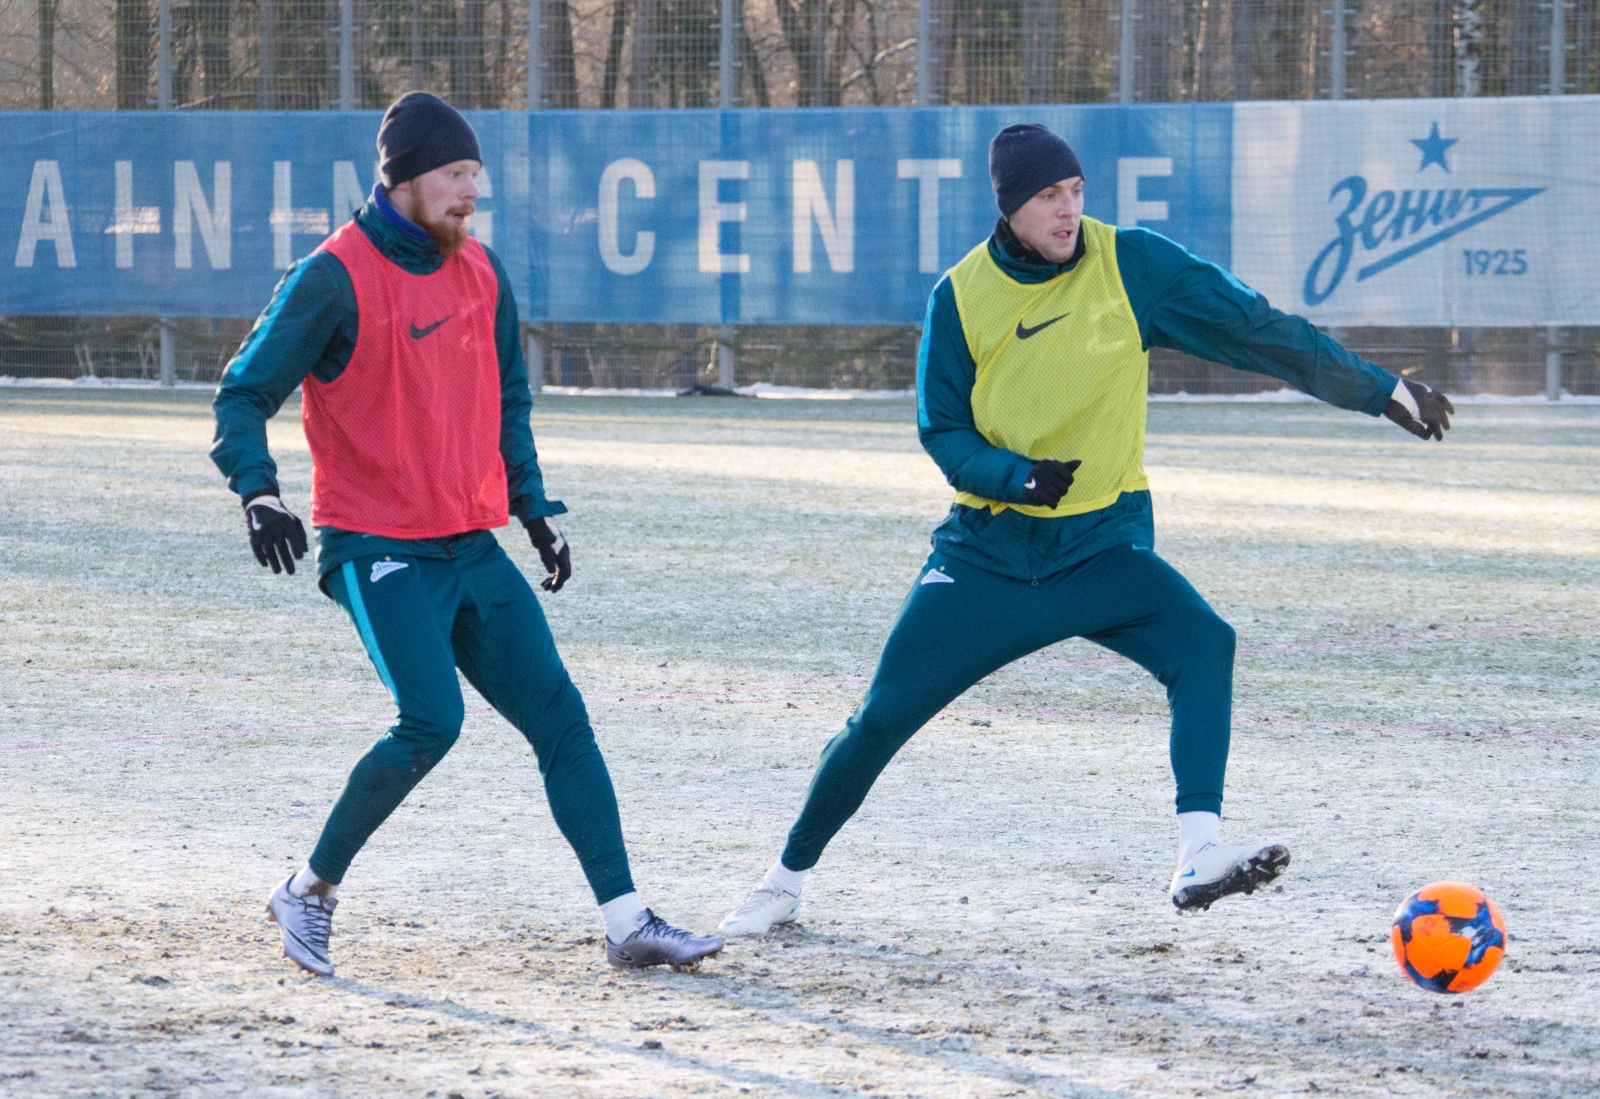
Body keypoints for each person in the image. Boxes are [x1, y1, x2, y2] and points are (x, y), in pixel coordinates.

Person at [719, 122, 1454, 935]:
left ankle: (1198, 852)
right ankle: (782, 882)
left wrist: (1379, 389)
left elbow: (1256, 328)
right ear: (1009, 208)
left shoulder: (1131, 263)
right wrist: (1017, 477)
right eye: (1047, 197)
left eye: (1075, 193)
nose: (1068, 212)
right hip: (987, 560)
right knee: (881, 719)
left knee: (1204, 643)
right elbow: (942, 431)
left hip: (1100, 551)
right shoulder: (960, 296)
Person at [211, 92, 722, 976]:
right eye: (455, 175)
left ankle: (628, 919)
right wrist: (258, 493)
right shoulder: (332, 275)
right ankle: (308, 889)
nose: (470, 193)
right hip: (376, 546)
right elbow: (241, 393)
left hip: (471, 544)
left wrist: (533, 509)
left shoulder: (482, 273)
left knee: (562, 717)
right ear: (404, 179)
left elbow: (509, 402)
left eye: (475, 176)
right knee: (430, 720)